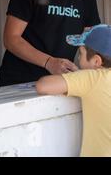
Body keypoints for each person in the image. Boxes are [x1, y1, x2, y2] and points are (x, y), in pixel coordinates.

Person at [36, 24, 111, 157]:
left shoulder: (92, 79)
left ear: (96, 62)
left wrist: (75, 76)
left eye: (81, 54)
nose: (77, 59)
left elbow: (43, 85)